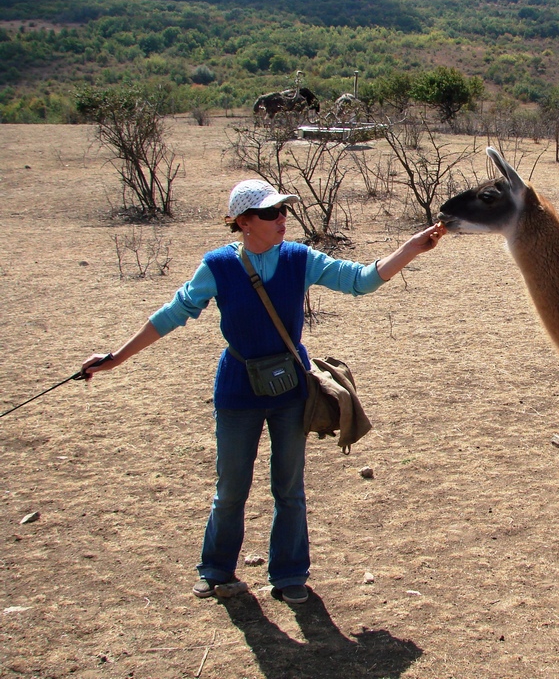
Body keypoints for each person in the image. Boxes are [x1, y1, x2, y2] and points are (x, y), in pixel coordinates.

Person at [81, 179, 446, 605]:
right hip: (238, 390)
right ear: (243, 222)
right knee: (231, 488)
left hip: (290, 389)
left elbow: (360, 280)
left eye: (283, 210)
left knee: (288, 489)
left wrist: (410, 248)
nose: (282, 219)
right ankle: (216, 569)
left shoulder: (299, 258)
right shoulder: (217, 266)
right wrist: (117, 358)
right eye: (271, 213)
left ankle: (290, 575)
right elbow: (172, 313)